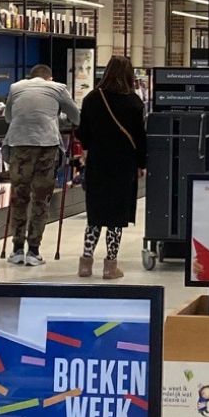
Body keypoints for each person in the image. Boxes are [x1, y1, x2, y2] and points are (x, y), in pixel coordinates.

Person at [73, 55, 145, 280]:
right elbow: (140, 137)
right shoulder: (133, 101)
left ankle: (85, 263)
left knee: (95, 215)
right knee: (116, 216)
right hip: (123, 165)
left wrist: (89, 148)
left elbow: (82, 133)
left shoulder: (92, 98)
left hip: (98, 163)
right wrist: (142, 163)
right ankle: (110, 266)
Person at [3, 64, 80, 266]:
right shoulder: (58, 88)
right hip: (47, 146)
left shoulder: (15, 87)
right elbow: (76, 116)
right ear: (50, 78)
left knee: (20, 196)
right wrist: (59, 116)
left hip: (18, 144)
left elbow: (8, 117)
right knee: (40, 197)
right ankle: (34, 251)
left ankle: (17, 248)